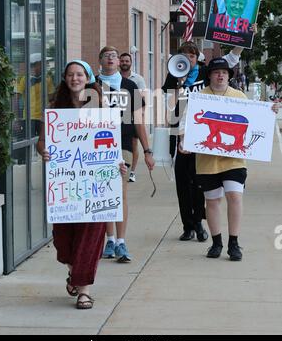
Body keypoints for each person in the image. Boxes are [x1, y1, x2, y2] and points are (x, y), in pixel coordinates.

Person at [37, 59, 127, 309]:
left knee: (90, 237)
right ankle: (74, 271)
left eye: (79, 74)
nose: (75, 78)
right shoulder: (56, 108)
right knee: (63, 241)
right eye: (70, 75)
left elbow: (111, 142)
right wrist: (44, 151)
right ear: (65, 79)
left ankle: (84, 291)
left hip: (96, 187)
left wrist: (117, 163)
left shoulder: (101, 109)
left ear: (88, 78)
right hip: (65, 185)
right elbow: (42, 141)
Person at [195, 58, 279, 261]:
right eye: (216, 72)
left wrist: (271, 110)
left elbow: (257, 115)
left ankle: (234, 242)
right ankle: (216, 243)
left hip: (234, 159)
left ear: (229, 76)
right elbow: (187, 126)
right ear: (210, 75)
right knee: (212, 200)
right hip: (208, 160)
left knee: (235, 196)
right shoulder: (199, 97)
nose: (220, 75)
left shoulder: (239, 96)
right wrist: (182, 141)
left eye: (224, 72)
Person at [162, 43, 244, 243]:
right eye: (184, 55)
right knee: (182, 183)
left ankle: (199, 222)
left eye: (191, 55)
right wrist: (179, 85)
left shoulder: (206, 73)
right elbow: (169, 111)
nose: (188, 59)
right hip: (181, 134)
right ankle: (187, 225)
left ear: (197, 57)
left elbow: (230, 61)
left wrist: (243, 40)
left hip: (203, 136)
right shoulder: (174, 76)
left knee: (199, 183)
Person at [97, 46, 155, 262]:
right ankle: (109, 239)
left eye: (114, 55)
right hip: (97, 148)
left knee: (119, 193)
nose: (111, 59)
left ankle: (121, 242)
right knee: (103, 194)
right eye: (107, 56)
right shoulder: (91, 85)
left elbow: (138, 121)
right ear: (100, 61)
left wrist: (147, 150)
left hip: (123, 145)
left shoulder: (130, 86)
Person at [119, 52, 147, 183]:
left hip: (133, 116)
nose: (124, 63)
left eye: (127, 61)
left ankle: (132, 171)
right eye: (122, 61)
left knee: (134, 144)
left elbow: (141, 100)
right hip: (120, 117)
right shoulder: (115, 78)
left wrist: (139, 116)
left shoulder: (138, 79)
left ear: (131, 63)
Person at [16, 53, 55, 137]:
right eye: (43, 62)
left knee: (43, 142)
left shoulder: (47, 78)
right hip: (28, 117)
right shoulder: (23, 79)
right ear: (36, 64)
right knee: (29, 144)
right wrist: (17, 119)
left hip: (43, 117)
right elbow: (16, 99)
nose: (46, 65)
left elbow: (51, 99)